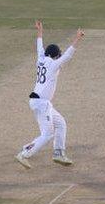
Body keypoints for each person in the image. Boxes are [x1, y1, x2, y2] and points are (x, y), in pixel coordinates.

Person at [15, 22, 85, 169]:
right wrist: (77, 38)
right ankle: (24, 153)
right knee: (47, 134)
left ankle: (58, 153)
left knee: (61, 123)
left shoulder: (41, 58)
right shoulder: (53, 64)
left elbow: (39, 45)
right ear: (54, 56)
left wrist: (40, 31)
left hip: (41, 102)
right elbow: (68, 55)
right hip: (41, 103)